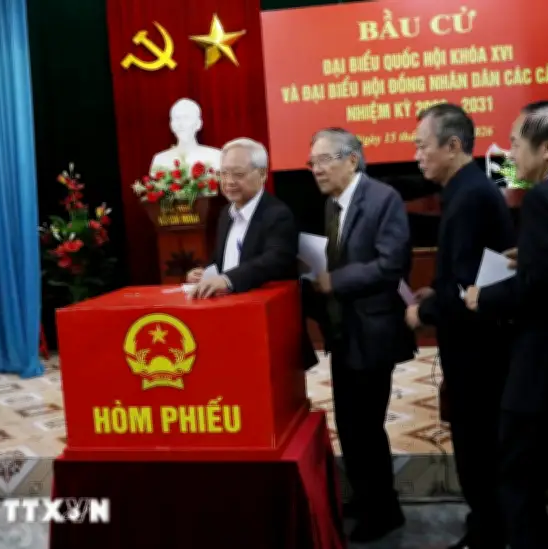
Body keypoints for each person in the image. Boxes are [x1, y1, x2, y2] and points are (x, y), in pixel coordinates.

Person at [464, 101, 548, 549]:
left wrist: (483, 297)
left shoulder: (541, 198)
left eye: (516, 143)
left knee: (517, 481)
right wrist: (539, 258)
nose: (510, 154)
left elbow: (538, 289)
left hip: (539, 365)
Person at [405, 103, 515, 549]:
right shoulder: (466, 189)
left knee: (477, 444)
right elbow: (458, 273)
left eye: (423, 146)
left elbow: (467, 285)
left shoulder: (469, 196)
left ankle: (488, 533)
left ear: (453, 145)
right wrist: (435, 291)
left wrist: (424, 313)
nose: (417, 156)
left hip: (478, 349)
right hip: (476, 343)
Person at [302, 128, 415, 543]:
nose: (316, 169)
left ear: (352, 159)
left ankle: (384, 512)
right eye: (312, 162)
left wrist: (335, 281)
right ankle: (368, 498)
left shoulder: (383, 199)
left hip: (374, 333)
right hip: (344, 332)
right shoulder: (331, 204)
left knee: (366, 427)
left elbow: (391, 264)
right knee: (350, 426)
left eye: (324, 160)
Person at [187, 137, 317, 368]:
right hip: (228, 317)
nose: (229, 182)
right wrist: (205, 273)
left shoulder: (277, 214)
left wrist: (227, 279)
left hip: (266, 323)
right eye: (224, 173)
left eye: (238, 174)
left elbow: (274, 260)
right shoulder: (226, 214)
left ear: (262, 174)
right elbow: (223, 259)